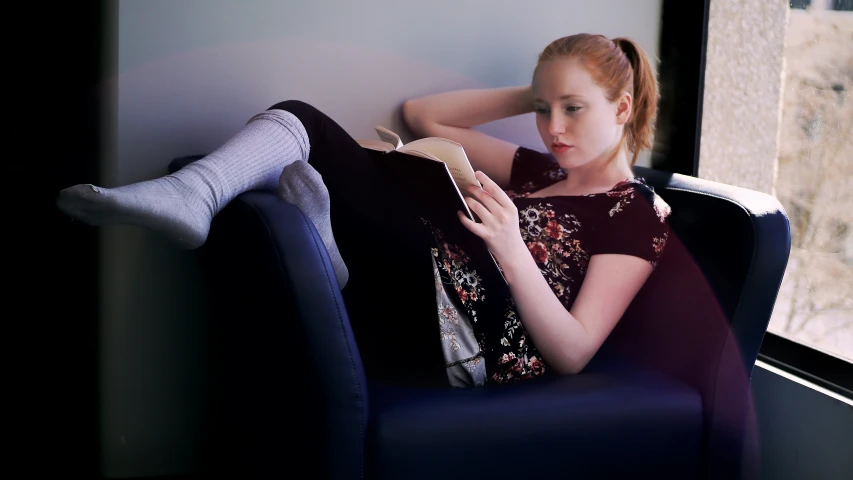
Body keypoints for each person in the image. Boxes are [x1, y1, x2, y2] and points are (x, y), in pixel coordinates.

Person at [56, 33, 671, 388]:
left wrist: (511, 246)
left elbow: (574, 353)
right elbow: (426, 116)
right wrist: (547, 88)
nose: (552, 127)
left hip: (463, 339)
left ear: (622, 108)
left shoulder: (637, 212)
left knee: (310, 129)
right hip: (419, 285)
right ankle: (325, 249)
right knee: (358, 156)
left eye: (574, 110)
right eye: (544, 109)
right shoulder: (542, 170)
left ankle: (204, 197)